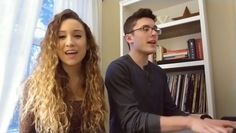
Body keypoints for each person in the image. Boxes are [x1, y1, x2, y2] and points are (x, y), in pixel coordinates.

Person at [105, 8, 236, 133]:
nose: (154, 33)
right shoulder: (117, 69)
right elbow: (132, 121)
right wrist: (189, 123)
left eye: (155, 28)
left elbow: (171, 111)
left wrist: (204, 120)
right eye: (145, 29)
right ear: (129, 38)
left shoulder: (159, 72)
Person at [20, 9, 108, 133]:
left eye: (77, 36)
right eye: (61, 37)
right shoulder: (34, 86)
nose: (70, 42)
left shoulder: (96, 82)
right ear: (53, 45)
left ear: (88, 43)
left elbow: (99, 129)